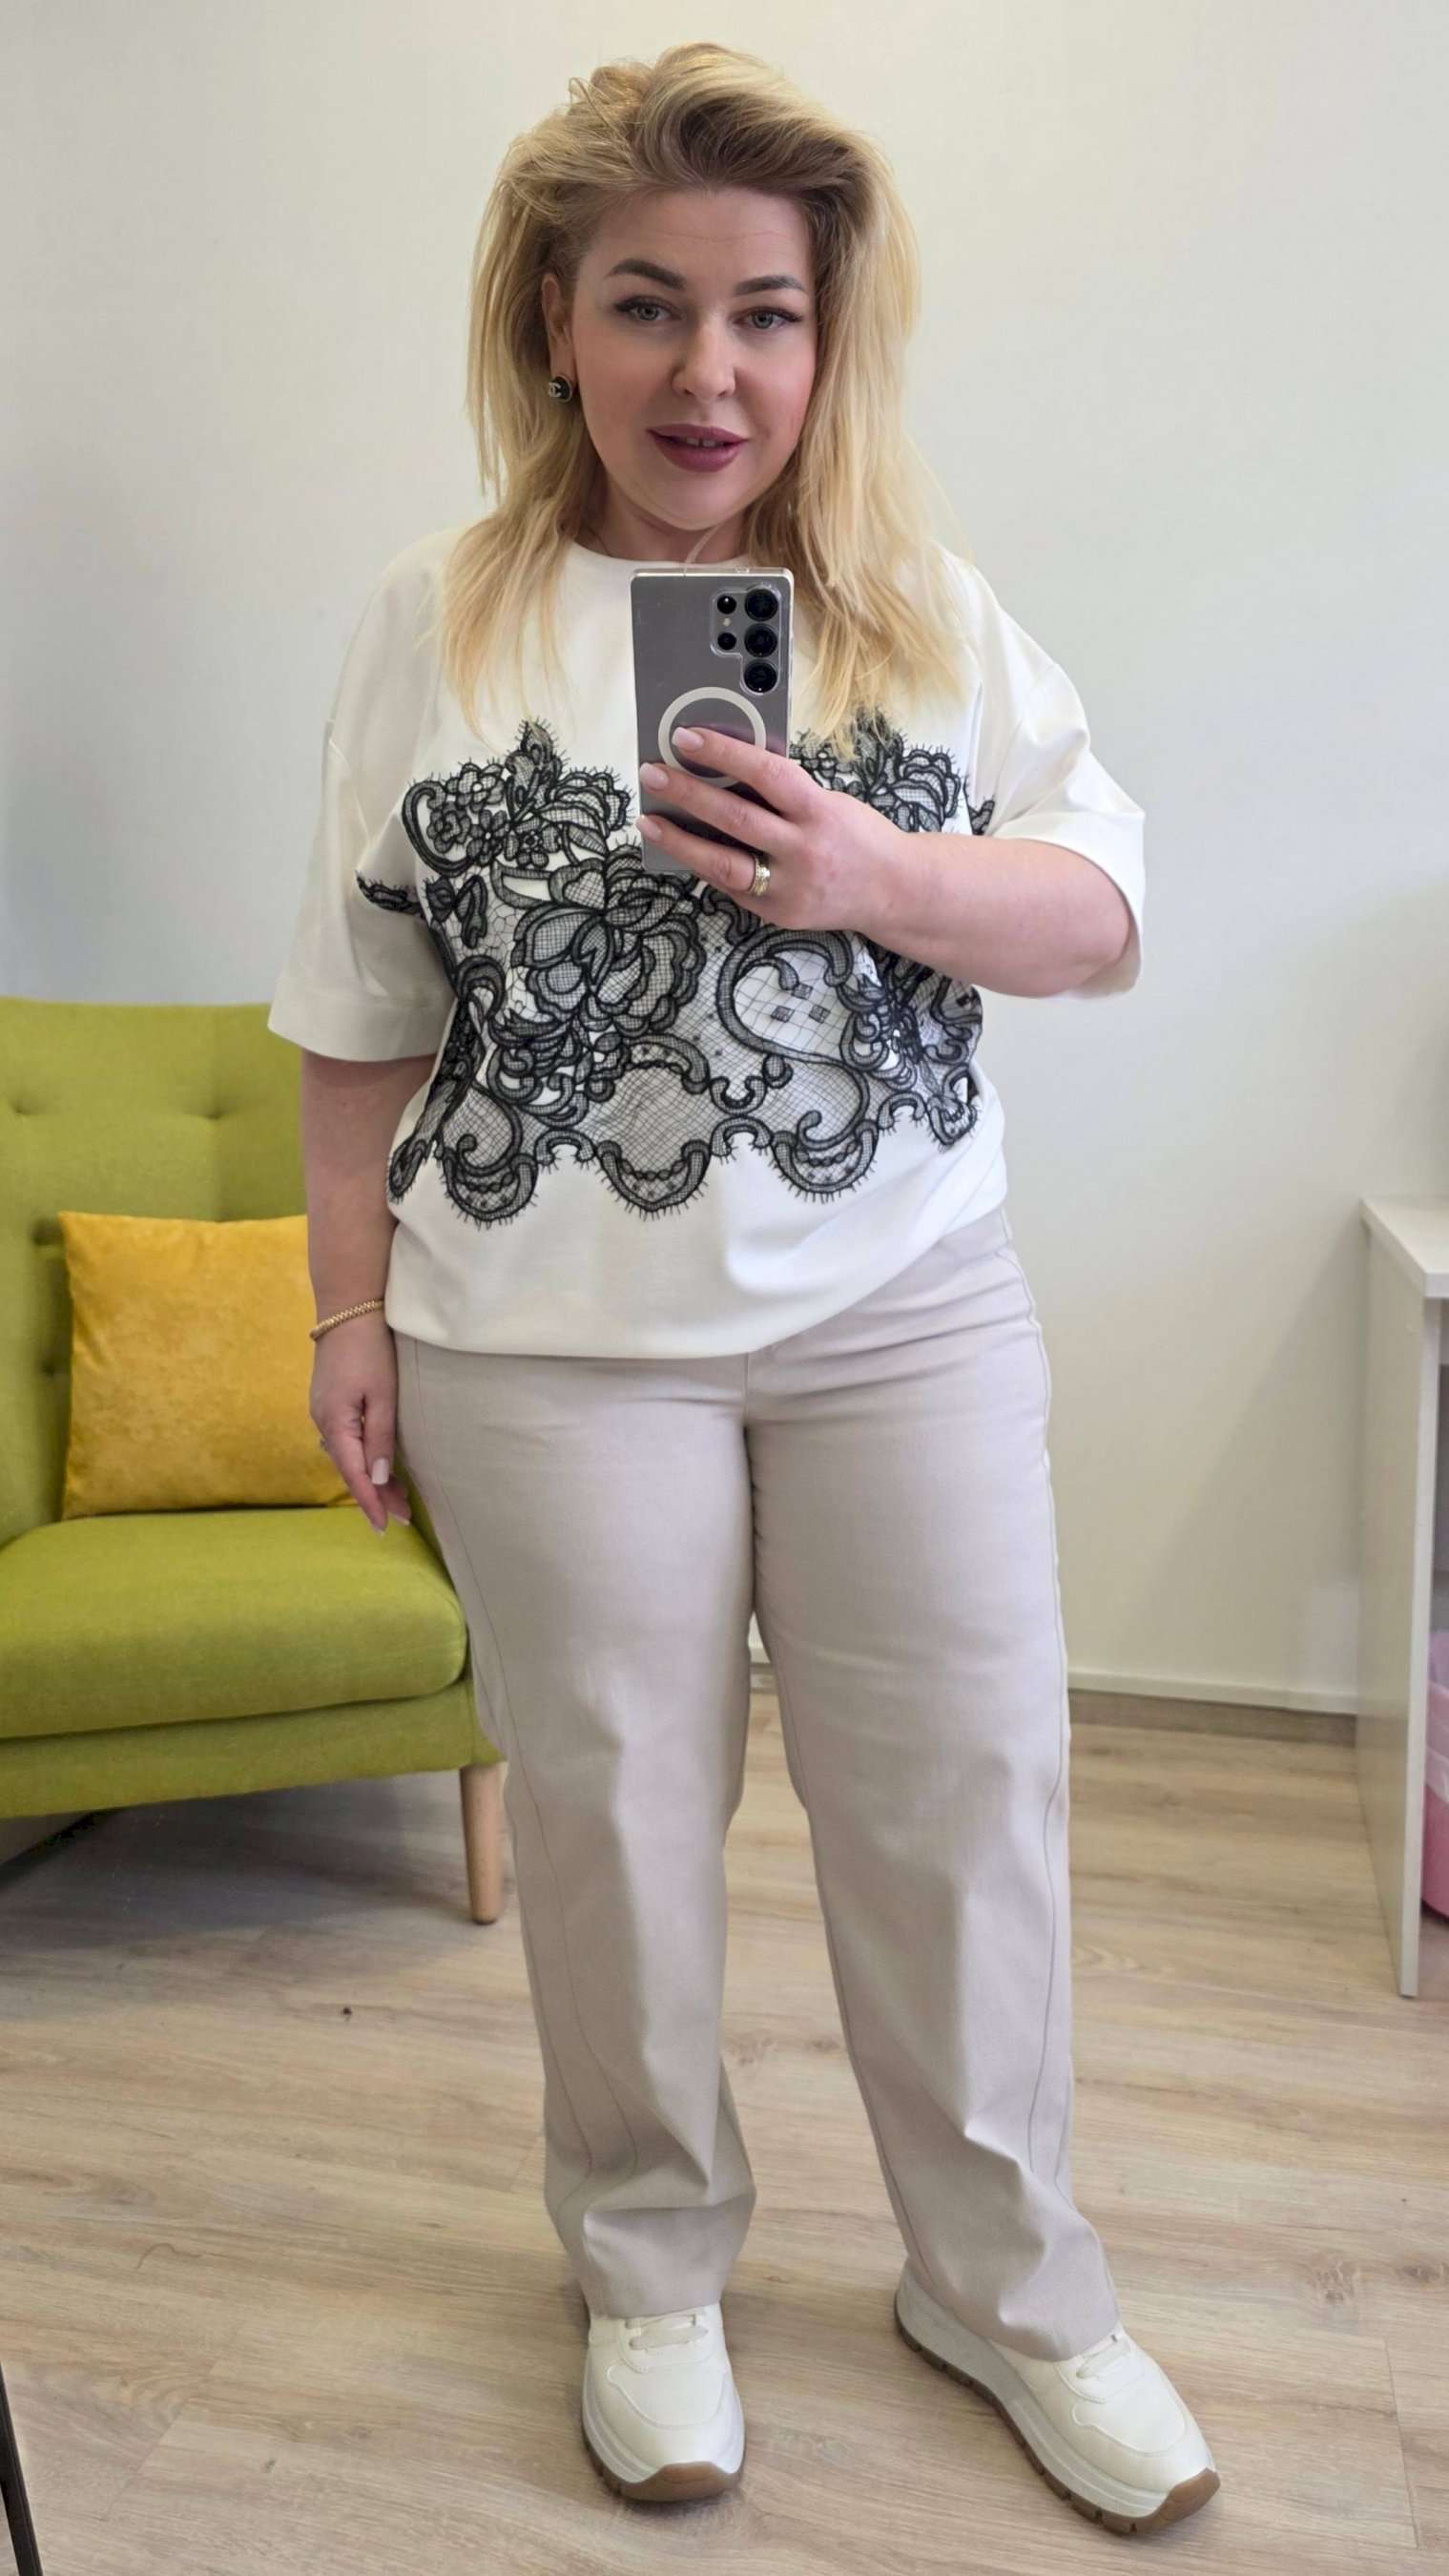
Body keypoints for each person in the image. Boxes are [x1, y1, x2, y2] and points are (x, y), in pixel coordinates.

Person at [267, 41, 1219, 2534]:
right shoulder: (433, 623)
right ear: (553, 323)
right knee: (609, 1819)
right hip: (542, 1344)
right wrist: (345, 1317)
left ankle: (1008, 2285)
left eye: (766, 314)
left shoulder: (921, 609)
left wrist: (865, 874)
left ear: (827, 338)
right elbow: (357, 1016)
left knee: (967, 1803)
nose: (710, 372)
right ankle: (649, 2266)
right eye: (649, 304)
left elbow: (1102, 913)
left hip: (900, 1307)